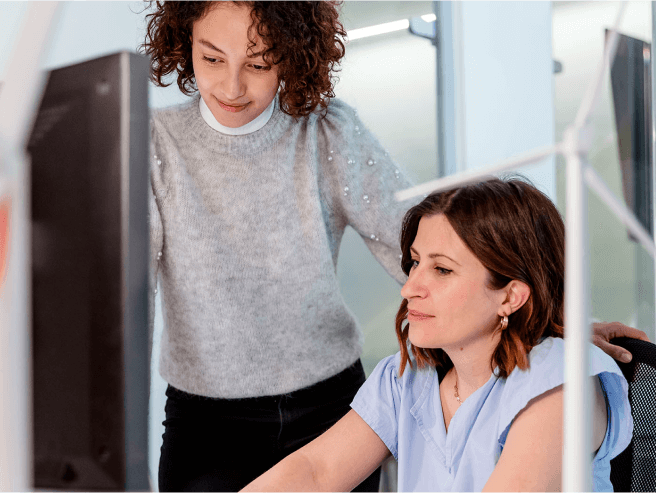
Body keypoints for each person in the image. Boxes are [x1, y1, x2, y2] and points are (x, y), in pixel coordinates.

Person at [140, 1, 647, 491]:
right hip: (208, 417)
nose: (231, 85)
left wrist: (548, 323)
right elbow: (126, 301)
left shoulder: (553, 386)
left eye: (257, 62)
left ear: (291, 55)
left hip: (324, 399)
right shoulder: (403, 383)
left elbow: (438, 238)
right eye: (211, 58)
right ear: (183, 44)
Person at [241, 177, 636, 492]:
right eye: (415, 262)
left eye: (442, 270)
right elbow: (316, 472)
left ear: (511, 297)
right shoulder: (407, 376)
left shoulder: (561, 385)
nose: (409, 287)